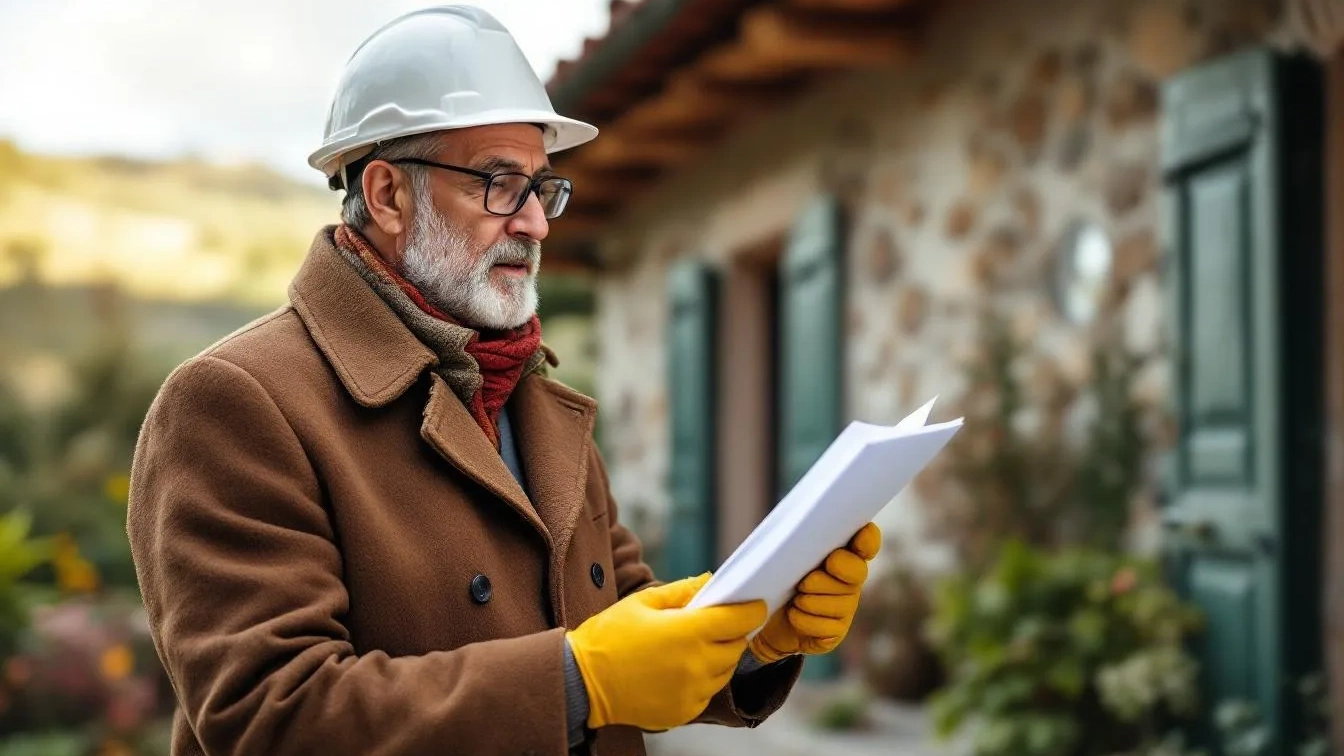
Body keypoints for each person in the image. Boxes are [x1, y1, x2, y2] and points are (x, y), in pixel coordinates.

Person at [126, 6, 882, 756]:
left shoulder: (541, 402)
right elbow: (270, 716)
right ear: (388, 195)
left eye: (541, 188)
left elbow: (626, 627)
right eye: (497, 184)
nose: (535, 223)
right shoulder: (233, 400)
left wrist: (754, 636)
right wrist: (576, 682)